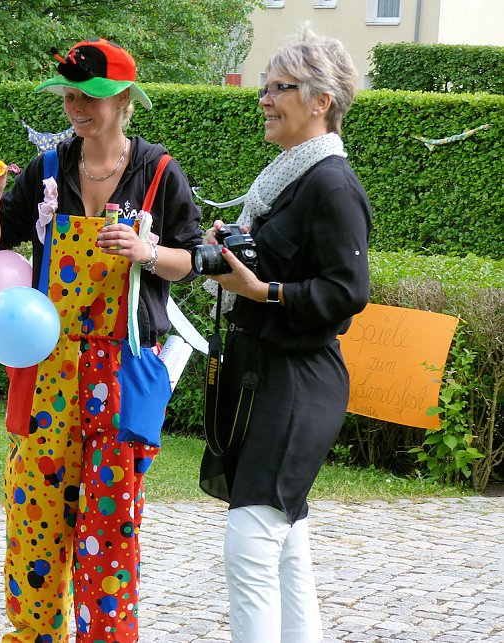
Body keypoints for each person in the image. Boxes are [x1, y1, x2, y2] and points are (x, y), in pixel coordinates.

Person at [0, 38, 202, 643]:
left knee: (111, 519)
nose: (78, 108)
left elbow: (194, 258)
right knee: (34, 514)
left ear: (124, 100)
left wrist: (148, 252)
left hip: (121, 370)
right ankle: (33, 634)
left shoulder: (158, 172)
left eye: (91, 97)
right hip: (48, 367)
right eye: (71, 96)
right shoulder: (47, 170)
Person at [198, 24, 371, 642]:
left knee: (251, 539)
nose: (265, 98)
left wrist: (263, 291)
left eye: (280, 87)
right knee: (286, 539)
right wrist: (233, 254)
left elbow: (348, 292)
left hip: (300, 380)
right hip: (265, 372)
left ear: (321, 101)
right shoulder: (286, 181)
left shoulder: (331, 184)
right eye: (265, 87)